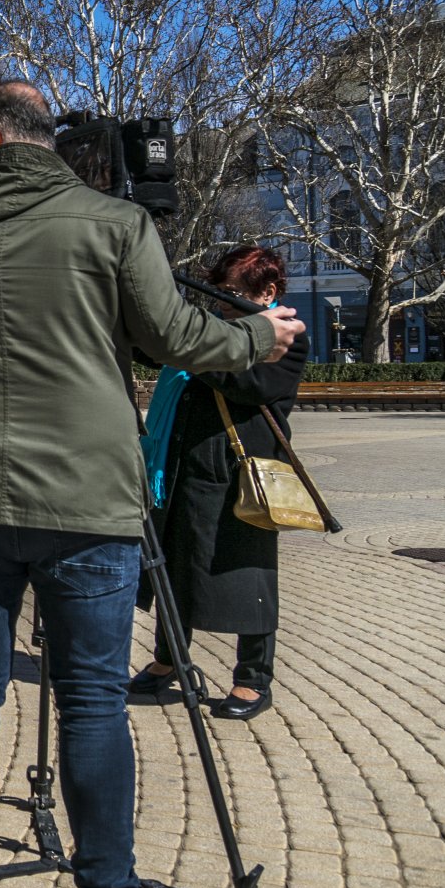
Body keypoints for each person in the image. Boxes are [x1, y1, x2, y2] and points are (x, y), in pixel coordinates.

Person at [0, 81, 304, 888]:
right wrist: (259, 337)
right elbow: (179, 339)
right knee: (92, 699)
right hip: (93, 500)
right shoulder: (115, 222)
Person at [132, 245, 307, 723]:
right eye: (218, 293)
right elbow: (150, 348)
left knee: (249, 576)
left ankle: (253, 678)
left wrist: (200, 345)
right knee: (172, 567)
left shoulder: (287, 334)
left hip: (241, 478)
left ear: (267, 292)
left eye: (231, 294)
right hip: (181, 470)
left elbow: (250, 387)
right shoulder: (211, 331)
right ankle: (170, 660)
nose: (222, 304)